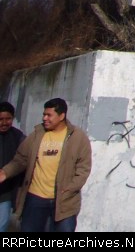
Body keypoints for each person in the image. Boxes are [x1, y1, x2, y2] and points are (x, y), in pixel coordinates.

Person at [0, 98, 92, 232]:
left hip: (64, 200)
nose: (44, 118)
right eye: (44, 114)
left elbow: (84, 168)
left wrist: (71, 188)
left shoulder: (78, 137)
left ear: (62, 116)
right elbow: (20, 159)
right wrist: (5, 172)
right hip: (35, 199)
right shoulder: (37, 134)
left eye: (49, 115)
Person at [0, 102, 25, 232]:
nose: (4, 123)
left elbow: (23, 161)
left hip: (6, 192)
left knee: (2, 226)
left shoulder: (18, 137)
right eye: (1, 119)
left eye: (8, 119)